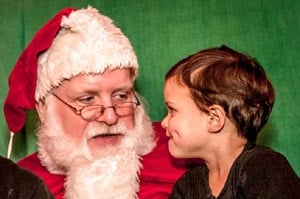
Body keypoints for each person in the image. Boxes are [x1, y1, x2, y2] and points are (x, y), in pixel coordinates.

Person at [3, 6, 194, 199]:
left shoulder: (187, 154)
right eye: (87, 100)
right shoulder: (19, 186)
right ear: (44, 109)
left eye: (121, 96)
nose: (110, 117)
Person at [161, 45, 300, 198]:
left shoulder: (265, 168)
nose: (164, 123)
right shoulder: (187, 187)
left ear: (214, 118)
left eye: (172, 110)